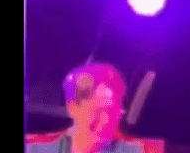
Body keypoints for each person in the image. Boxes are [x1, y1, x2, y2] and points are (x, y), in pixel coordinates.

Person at [25, 63, 164, 153]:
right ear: (73, 108)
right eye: (97, 111)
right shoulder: (35, 149)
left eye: (112, 112)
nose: (105, 120)